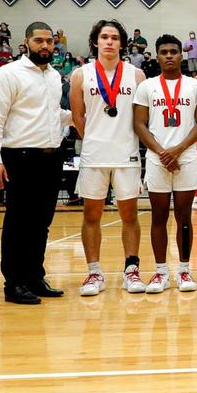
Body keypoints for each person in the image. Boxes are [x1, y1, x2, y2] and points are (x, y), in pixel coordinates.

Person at [0, 21, 71, 304]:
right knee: (18, 222)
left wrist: (82, 114)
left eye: (49, 41)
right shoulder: (8, 74)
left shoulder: (55, 76)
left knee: (41, 223)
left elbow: (53, 114)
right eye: (39, 41)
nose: (45, 46)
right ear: (26, 43)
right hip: (19, 157)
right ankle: (14, 283)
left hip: (51, 157)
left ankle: (34, 276)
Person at [70, 20, 147, 296]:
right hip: (94, 155)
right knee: (91, 214)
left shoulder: (136, 75)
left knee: (129, 214)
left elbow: (142, 116)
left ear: (122, 43)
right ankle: (94, 272)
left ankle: (132, 269)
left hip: (126, 153)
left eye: (115, 37)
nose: (109, 42)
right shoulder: (81, 74)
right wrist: (94, 138)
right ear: (95, 42)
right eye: (104, 37)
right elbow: (78, 117)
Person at [133, 34, 197, 294]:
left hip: (186, 158)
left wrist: (177, 150)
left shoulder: (195, 86)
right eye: (164, 51)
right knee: (158, 216)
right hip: (157, 160)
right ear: (157, 56)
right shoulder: (146, 87)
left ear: (182, 55)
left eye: (174, 51)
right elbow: (139, 124)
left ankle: (185, 271)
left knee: (184, 217)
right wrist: (162, 152)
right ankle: (160, 272)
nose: (169, 55)